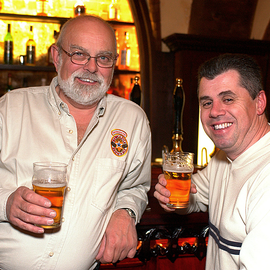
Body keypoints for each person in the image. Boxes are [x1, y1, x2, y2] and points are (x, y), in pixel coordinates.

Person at [0, 15, 151, 270]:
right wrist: (6, 203)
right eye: (79, 54)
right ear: (57, 57)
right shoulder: (10, 108)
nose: (91, 68)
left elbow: (134, 187)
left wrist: (127, 212)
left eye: (103, 58)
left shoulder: (132, 119)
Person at [154, 53, 270, 270]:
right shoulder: (222, 156)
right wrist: (175, 196)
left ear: (259, 102)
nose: (215, 112)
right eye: (207, 102)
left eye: (228, 99)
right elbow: (195, 197)